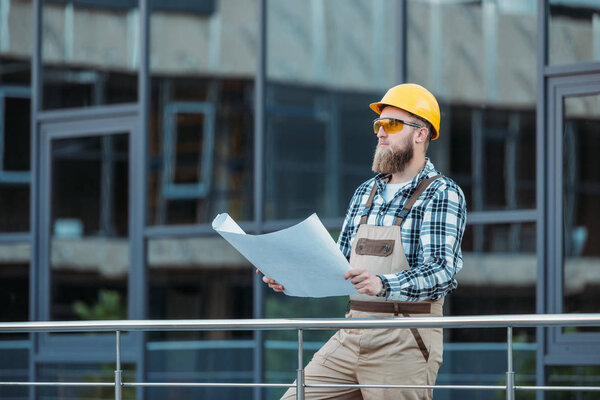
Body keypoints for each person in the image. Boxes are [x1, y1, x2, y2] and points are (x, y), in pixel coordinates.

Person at [259, 83, 467, 400]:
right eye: (378, 125)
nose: (381, 133)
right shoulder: (364, 193)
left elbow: (441, 272)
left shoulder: (442, 193)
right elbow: (338, 264)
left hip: (404, 340)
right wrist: (290, 277)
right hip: (352, 332)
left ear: (421, 134)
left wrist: (382, 283)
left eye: (392, 124)